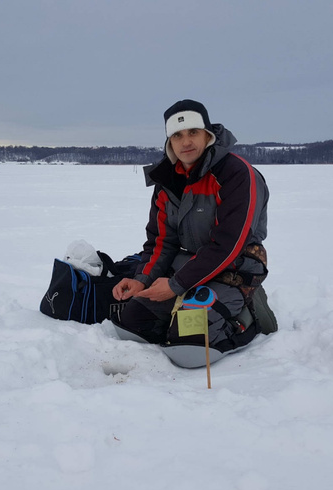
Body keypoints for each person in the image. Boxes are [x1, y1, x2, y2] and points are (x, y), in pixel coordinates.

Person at [111, 99, 273, 368]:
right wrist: (142, 280)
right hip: (189, 265)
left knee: (191, 345)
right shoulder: (167, 182)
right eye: (177, 135)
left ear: (208, 135)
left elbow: (228, 245)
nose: (186, 142)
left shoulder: (237, 174)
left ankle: (249, 315)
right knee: (133, 324)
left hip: (236, 265)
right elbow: (162, 241)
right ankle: (185, 314)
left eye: (193, 132)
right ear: (169, 143)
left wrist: (175, 286)